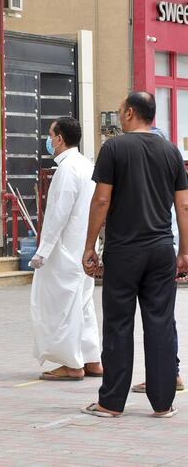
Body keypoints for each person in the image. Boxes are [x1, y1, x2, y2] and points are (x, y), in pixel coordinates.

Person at [81, 91, 188, 418]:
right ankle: (163, 403)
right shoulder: (171, 151)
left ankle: (111, 403)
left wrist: (89, 246)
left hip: (124, 250)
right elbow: (183, 204)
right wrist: (184, 250)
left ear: (129, 113)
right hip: (160, 249)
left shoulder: (114, 148)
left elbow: (101, 201)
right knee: (160, 323)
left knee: (118, 323)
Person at [29, 117, 102, 381]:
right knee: (82, 304)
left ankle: (72, 364)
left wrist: (42, 252)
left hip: (66, 251)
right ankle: (92, 359)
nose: (49, 141)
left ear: (59, 139)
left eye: (50, 135)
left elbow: (57, 215)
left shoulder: (68, 169)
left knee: (62, 306)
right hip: (84, 247)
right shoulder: (87, 165)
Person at [131, 126, 184, 393]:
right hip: (166, 252)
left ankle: (169, 373)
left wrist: (180, 254)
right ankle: (168, 373)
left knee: (161, 318)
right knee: (163, 317)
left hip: (164, 253)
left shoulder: (162, 183)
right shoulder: (166, 179)